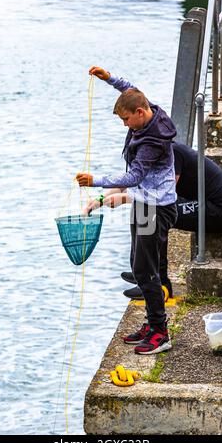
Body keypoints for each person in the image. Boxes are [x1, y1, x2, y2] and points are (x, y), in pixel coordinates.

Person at [76, 66, 177, 355]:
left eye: (126, 119)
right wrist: (109, 79)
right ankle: (151, 323)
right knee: (138, 265)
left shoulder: (152, 139)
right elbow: (130, 89)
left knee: (146, 269)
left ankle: (160, 332)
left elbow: (132, 178)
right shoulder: (150, 110)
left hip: (156, 208)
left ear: (141, 114)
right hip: (146, 204)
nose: (125, 125)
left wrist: (95, 181)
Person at [89, 141, 222, 300]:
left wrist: (123, 199)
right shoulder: (154, 153)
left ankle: (159, 285)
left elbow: (162, 194)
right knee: (142, 208)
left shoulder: (172, 154)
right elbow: (129, 182)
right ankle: (141, 271)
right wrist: (100, 199)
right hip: (205, 203)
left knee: (157, 212)